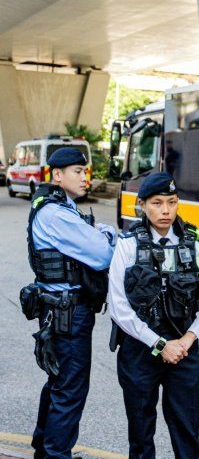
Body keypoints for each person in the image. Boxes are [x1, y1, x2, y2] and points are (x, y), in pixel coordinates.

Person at [108, 172, 199, 459]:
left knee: (187, 433)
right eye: (157, 203)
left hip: (183, 349)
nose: (166, 211)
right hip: (140, 349)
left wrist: (187, 340)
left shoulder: (195, 241)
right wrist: (160, 345)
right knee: (141, 434)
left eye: (172, 202)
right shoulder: (127, 244)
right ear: (142, 205)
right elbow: (118, 307)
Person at [25, 147, 115, 459]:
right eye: (77, 171)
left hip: (59, 309)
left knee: (59, 382)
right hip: (68, 312)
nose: (84, 177)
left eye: (85, 171)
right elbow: (103, 254)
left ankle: (44, 450)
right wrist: (106, 236)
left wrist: (97, 234)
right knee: (70, 389)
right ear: (57, 175)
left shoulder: (58, 206)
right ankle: (55, 454)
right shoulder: (56, 213)